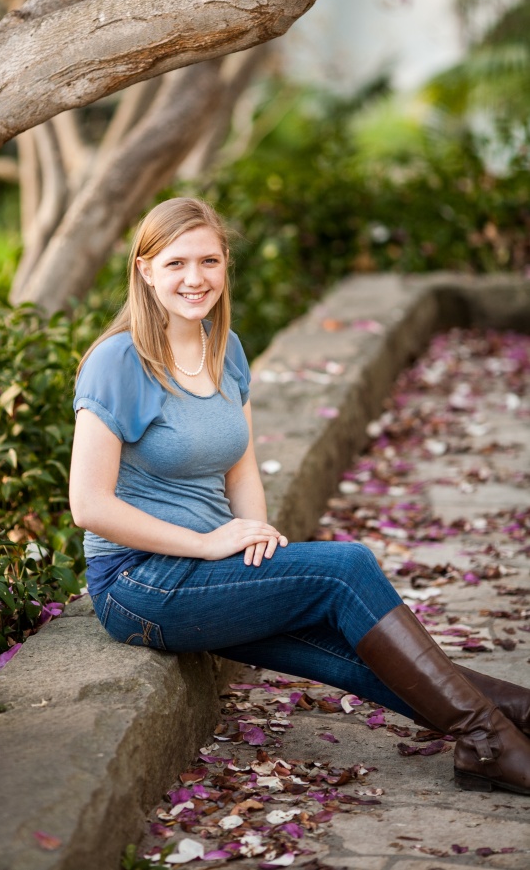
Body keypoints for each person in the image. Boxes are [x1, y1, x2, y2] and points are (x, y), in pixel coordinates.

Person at [70, 196, 530, 795]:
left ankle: (509, 721)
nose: (194, 278)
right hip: (140, 584)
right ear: (144, 269)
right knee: (346, 570)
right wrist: (209, 545)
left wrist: (257, 542)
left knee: (349, 647)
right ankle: (492, 742)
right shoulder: (117, 362)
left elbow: (241, 469)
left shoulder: (224, 348)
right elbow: (89, 504)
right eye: (176, 263)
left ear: (226, 263)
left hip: (207, 570)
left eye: (208, 260)